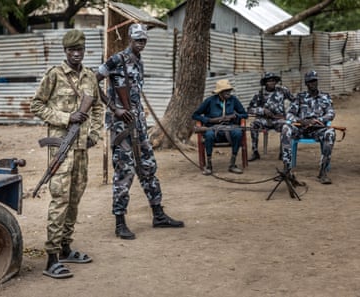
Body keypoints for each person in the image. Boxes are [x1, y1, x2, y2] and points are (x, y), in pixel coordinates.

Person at [96, 23, 184, 240]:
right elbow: (91, 82)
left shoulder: (139, 61)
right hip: (121, 128)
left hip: (139, 123)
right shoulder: (117, 60)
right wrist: (114, 108)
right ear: (130, 39)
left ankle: (158, 214)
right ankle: (120, 222)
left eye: (143, 40)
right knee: (124, 172)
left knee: (148, 167)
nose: (141, 43)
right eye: (137, 40)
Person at [30, 29, 104, 278]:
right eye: (72, 50)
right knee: (60, 198)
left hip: (82, 147)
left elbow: (97, 107)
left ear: (84, 50)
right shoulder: (55, 75)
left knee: (75, 197)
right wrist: (65, 118)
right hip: (61, 146)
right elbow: (36, 105)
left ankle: (65, 247)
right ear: (65, 51)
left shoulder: (90, 76)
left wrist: (94, 134)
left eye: (79, 50)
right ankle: (51, 258)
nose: (76, 54)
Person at [280, 70, 336, 184]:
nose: (313, 84)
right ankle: (286, 169)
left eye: (315, 81)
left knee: (330, 133)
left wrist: (317, 120)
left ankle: (323, 171)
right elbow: (289, 114)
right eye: (310, 81)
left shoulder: (325, 97)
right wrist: (301, 121)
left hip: (317, 129)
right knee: (286, 128)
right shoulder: (300, 97)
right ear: (306, 83)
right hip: (300, 129)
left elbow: (331, 113)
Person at [192, 79, 248, 175]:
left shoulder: (233, 100)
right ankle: (209, 166)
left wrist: (234, 116)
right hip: (213, 128)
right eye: (225, 91)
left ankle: (232, 164)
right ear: (220, 93)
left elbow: (244, 114)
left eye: (229, 90)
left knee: (238, 133)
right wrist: (210, 120)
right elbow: (195, 115)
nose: (228, 93)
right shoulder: (209, 101)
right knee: (209, 135)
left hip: (229, 128)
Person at [247, 72, 294, 161]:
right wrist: (262, 110)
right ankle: (255, 152)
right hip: (264, 120)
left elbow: (295, 101)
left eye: (273, 81)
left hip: (278, 120)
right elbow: (250, 109)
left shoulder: (282, 91)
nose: (272, 83)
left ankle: (283, 153)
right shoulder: (260, 94)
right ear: (265, 83)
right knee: (253, 125)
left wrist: (290, 113)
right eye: (269, 81)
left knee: (286, 126)